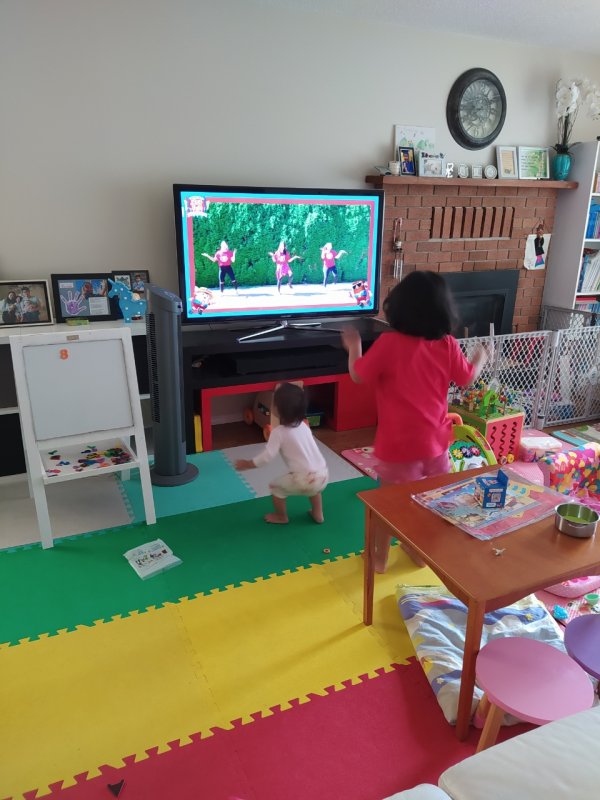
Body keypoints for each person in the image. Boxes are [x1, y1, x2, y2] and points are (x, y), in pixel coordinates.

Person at [341, 270, 487, 572]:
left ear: (399, 308)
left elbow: (358, 375)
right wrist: (481, 358)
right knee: (429, 505)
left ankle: (379, 559)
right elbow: (467, 379)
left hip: (398, 448)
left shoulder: (389, 343)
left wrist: (354, 346)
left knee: (387, 507)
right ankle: (420, 554)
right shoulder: (447, 344)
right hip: (436, 446)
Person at [235, 382, 329, 524]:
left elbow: (266, 457)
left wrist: (248, 464)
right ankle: (318, 513)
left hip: (303, 479)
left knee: (275, 488)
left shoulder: (279, 432)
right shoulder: (304, 426)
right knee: (314, 489)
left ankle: (281, 516)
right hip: (322, 476)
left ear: (277, 410)